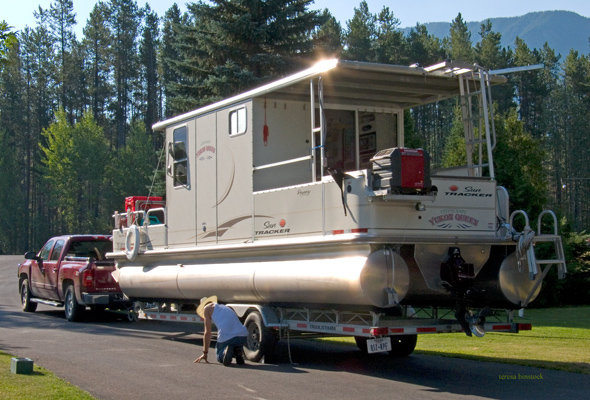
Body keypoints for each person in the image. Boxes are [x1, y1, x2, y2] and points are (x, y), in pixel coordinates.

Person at [193, 295, 248, 366]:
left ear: (203, 306)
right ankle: (238, 351)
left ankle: (224, 353)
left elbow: (207, 333)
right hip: (242, 335)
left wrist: (205, 353)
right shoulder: (224, 307)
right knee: (235, 343)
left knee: (219, 356)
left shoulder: (206, 308)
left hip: (227, 335)